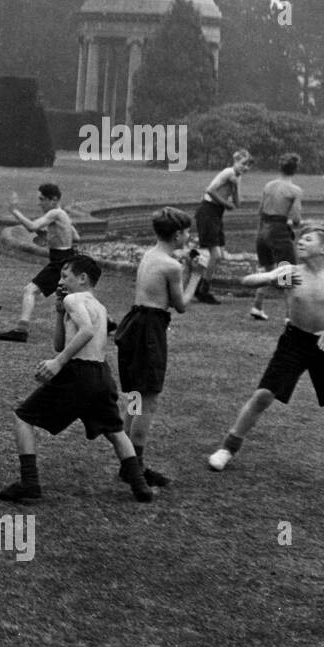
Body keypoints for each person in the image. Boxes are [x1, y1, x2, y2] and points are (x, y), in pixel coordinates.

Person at [0, 255, 153, 504]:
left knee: (22, 418)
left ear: (82, 278)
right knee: (114, 430)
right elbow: (60, 344)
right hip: (102, 375)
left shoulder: (73, 298)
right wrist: (60, 313)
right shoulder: (97, 306)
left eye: (65, 276)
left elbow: (86, 332)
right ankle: (140, 485)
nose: (60, 281)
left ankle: (29, 483)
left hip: (77, 373)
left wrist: (58, 363)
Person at [208, 224, 324, 472]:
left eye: (308, 239)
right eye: (300, 239)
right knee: (263, 395)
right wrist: (270, 277)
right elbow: (247, 281)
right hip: (294, 342)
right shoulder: (291, 274)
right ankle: (227, 448)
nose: (300, 242)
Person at [114, 207, 206, 487]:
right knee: (148, 398)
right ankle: (135, 468)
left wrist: (186, 265)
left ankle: (130, 464)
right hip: (150, 329)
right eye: (187, 232)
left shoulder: (151, 254)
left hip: (134, 323)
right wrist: (197, 275)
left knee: (136, 396)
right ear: (177, 234)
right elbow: (181, 305)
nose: (189, 236)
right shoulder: (172, 266)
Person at [0, 182, 79, 342]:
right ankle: (108, 322)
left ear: (53, 199)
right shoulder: (62, 214)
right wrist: (52, 236)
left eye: (42, 199)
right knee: (73, 296)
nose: (39, 203)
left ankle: (21, 330)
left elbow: (32, 226)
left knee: (30, 290)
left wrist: (14, 211)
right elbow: (76, 237)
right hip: (68, 257)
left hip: (59, 260)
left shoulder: (55, 213)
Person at [193, 149, 251, 304]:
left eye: (247, 165)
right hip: (208, 211)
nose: (244, 168)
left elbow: (238, 203)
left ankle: (200, 286)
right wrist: (226, 203)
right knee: (215, 254)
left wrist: (236, 186)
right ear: (235, 161)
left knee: (219, 254)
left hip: (217, 214)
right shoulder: (227, 172)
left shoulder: (236, 177)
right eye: (242, 164)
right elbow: (210, 190)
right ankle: (202, 289)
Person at [249, 153, 303, 321]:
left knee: (267, 269)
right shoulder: (295, 191)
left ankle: (257, 306)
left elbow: (259, 211)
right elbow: (296, 219)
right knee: (288, 271)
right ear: (295, 169)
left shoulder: (269, 185)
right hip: (278, 231)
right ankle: (290, 315)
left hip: (263, 229)